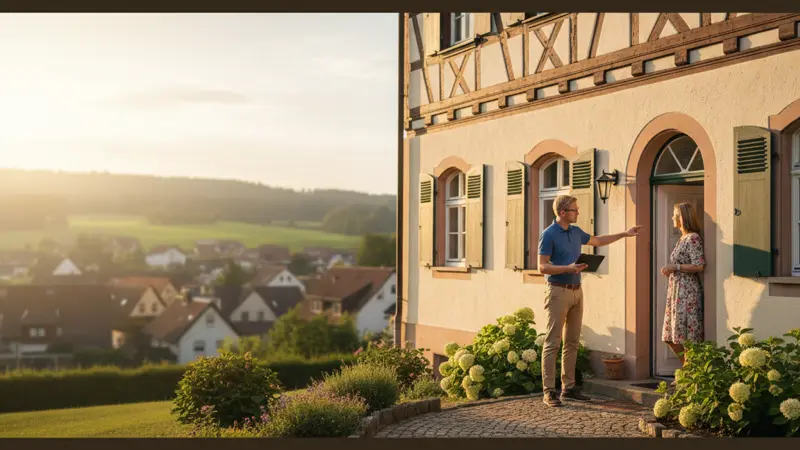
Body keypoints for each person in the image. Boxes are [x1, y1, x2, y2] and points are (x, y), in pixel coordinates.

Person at [538, 194, 641, 407]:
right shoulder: (548, 234)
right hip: (557, 291)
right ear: (563, 212)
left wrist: (625, 233)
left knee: (573, 341)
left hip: (577, 290)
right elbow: (542, 267)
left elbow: (597, 240)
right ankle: (549, 391)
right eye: (574, 210)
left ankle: (569, 388)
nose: (578, 213)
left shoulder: (576, 232)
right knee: (552, 342)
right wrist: (568, 268)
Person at [660, 202, 705, 370]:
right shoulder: (682, 238)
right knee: (670, 335)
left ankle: (688, 373)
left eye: (675, 215)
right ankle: (688, 370)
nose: (672, 217)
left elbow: (699, 265)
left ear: (683, 218)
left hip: (687, 291)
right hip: (676, 291)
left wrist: (675, 267)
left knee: (686, 336)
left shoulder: (693, 238)